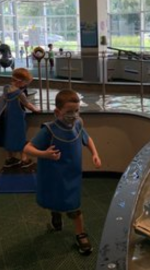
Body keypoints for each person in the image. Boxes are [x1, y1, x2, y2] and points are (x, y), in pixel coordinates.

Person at [23, 89, 102, 255]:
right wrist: (44, 154)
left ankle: (80, 234)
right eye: (69, 112)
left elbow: (87, 139)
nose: (73, 115)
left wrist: (94, 154)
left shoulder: (78, 124)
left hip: (72, 175)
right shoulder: (49, 130)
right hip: (54, 175)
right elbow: (27, 148)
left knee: (74, 205)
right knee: (56, 197)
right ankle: (56, 213)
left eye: (76, 111)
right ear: (57, 112)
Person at [0, 68, 40, 168]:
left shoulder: (6, 89)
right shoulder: (19, 94)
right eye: (26, 83)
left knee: (7, 138)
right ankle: (24, 159)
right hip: (17, 120)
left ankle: (9, 159)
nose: (26, 85)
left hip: (6, 119)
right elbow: (28, 105)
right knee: (20, 138)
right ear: (19, 82)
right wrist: (36, 109)